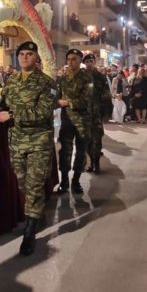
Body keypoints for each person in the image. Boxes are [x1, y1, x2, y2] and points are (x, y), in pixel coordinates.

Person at [0, 41, 56, 256]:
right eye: (22, 54)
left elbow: (44, 112)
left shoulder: (47, 83)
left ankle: (29, 232)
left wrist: (12, 115)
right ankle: (36, 214)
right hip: (16, 141)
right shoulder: (12, 81)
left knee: (34, 185)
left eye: (29, 54)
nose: (25, 57)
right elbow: (5, 103)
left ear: (36, 58)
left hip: (39, 142)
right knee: (23, 183)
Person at [57, 48, 91, 194]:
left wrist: (67, 102)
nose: (71, 62)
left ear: (80, 61)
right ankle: (64, 181)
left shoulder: (87, 78)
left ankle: (76, 181)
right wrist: (56, 101)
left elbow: (87, 99)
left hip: (83, 121)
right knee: (65, 151)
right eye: (69, 59)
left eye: (74, 59)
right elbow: (56, 97)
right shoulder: (62, 79)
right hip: (67, 120)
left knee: (81, 152)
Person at [83, 53, 110, 174]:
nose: (89, 63)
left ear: (94, 62)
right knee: (86, 141)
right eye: (87, 61)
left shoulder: (100, 77)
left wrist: (107, 112)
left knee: (97, 139)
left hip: (97, 113)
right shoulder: (80, 76)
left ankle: (97, 164)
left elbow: (106, 94)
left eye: (91, 61)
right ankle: (91, 163)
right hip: (84, 114)